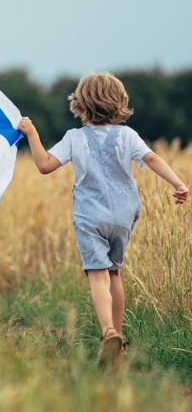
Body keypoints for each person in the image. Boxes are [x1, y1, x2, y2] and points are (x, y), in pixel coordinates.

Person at [17, 72, 188, 366]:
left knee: (97, 274)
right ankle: (118, 340)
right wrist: (179, 184)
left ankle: (108, 331)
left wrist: (31, 133)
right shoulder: (128, 135)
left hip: (90, 215)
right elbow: (153, 159)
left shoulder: (74, 138)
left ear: (80, 104)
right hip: (124, 213)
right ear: (120, 102)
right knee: (114, 273)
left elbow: (45, 166)